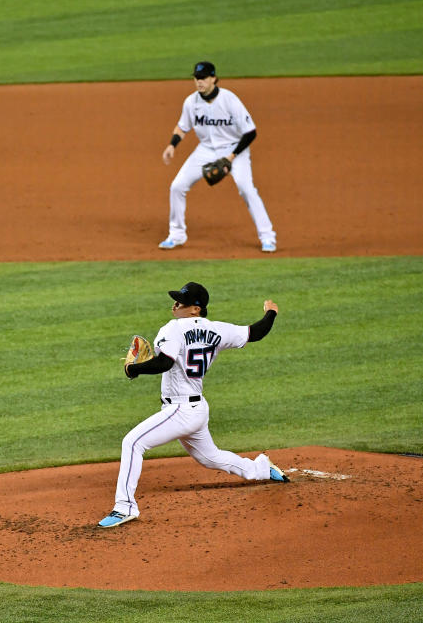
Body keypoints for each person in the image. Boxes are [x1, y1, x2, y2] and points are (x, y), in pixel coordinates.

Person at [98, 281, 288, 528]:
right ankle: (261, 469)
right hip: (196, 410)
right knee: (210, 457)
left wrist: (133, 369)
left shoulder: (173, 329)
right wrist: (271, 311)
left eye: (181, 302)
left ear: (196, 309)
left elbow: (164, 363)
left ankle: (124, 507)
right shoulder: (218, 330)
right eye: (176, 300)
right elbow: (257, 332)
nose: (175, 305)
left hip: (181, 410)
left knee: (133, 442)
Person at [159, 61, 277, 253]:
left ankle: (268, 237)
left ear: (213, 78)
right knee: (177, 186)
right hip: (205, 150)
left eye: (204, 78)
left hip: (234, 149)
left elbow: (250, 133)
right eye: (197, 78)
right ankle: (177, 234)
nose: (199, 82)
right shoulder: (191, 102)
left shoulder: (229, 100)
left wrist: (230, 158)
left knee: (246, 189)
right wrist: (172, 145)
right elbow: (182, 127)